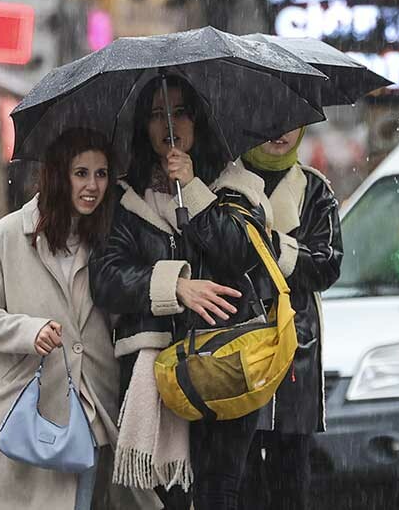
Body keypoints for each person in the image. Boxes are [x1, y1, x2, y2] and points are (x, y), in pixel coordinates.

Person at [89, 75, 278, 510]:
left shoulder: (235, 184)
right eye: (157, 114)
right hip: (157, 375)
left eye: (179, 112)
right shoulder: (126, 199)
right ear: (143, 126)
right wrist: (173, 286)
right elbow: (107, 277)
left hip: (224, 362)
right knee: (169, 499)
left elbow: (242, 252)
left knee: (218, 494)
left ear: (199, 119)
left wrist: (193, 190)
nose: (169, 124)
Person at [0, 129, 122, 510]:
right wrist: (28, 330)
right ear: (58, 175)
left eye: (101, 174)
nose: (92, 186)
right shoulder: (7, 235)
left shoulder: (106, 240)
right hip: (28, 413)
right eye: (81, 173)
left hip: (91, 409)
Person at [239, 127, 343, 509]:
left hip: (295, 348)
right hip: (239, 346)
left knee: (291, 475)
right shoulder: (226, 182)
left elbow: (328, 264)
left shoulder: (315, 190)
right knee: (240, 476)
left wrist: (274, 247)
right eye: (270, 121)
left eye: (292, 121)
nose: (281, 132)